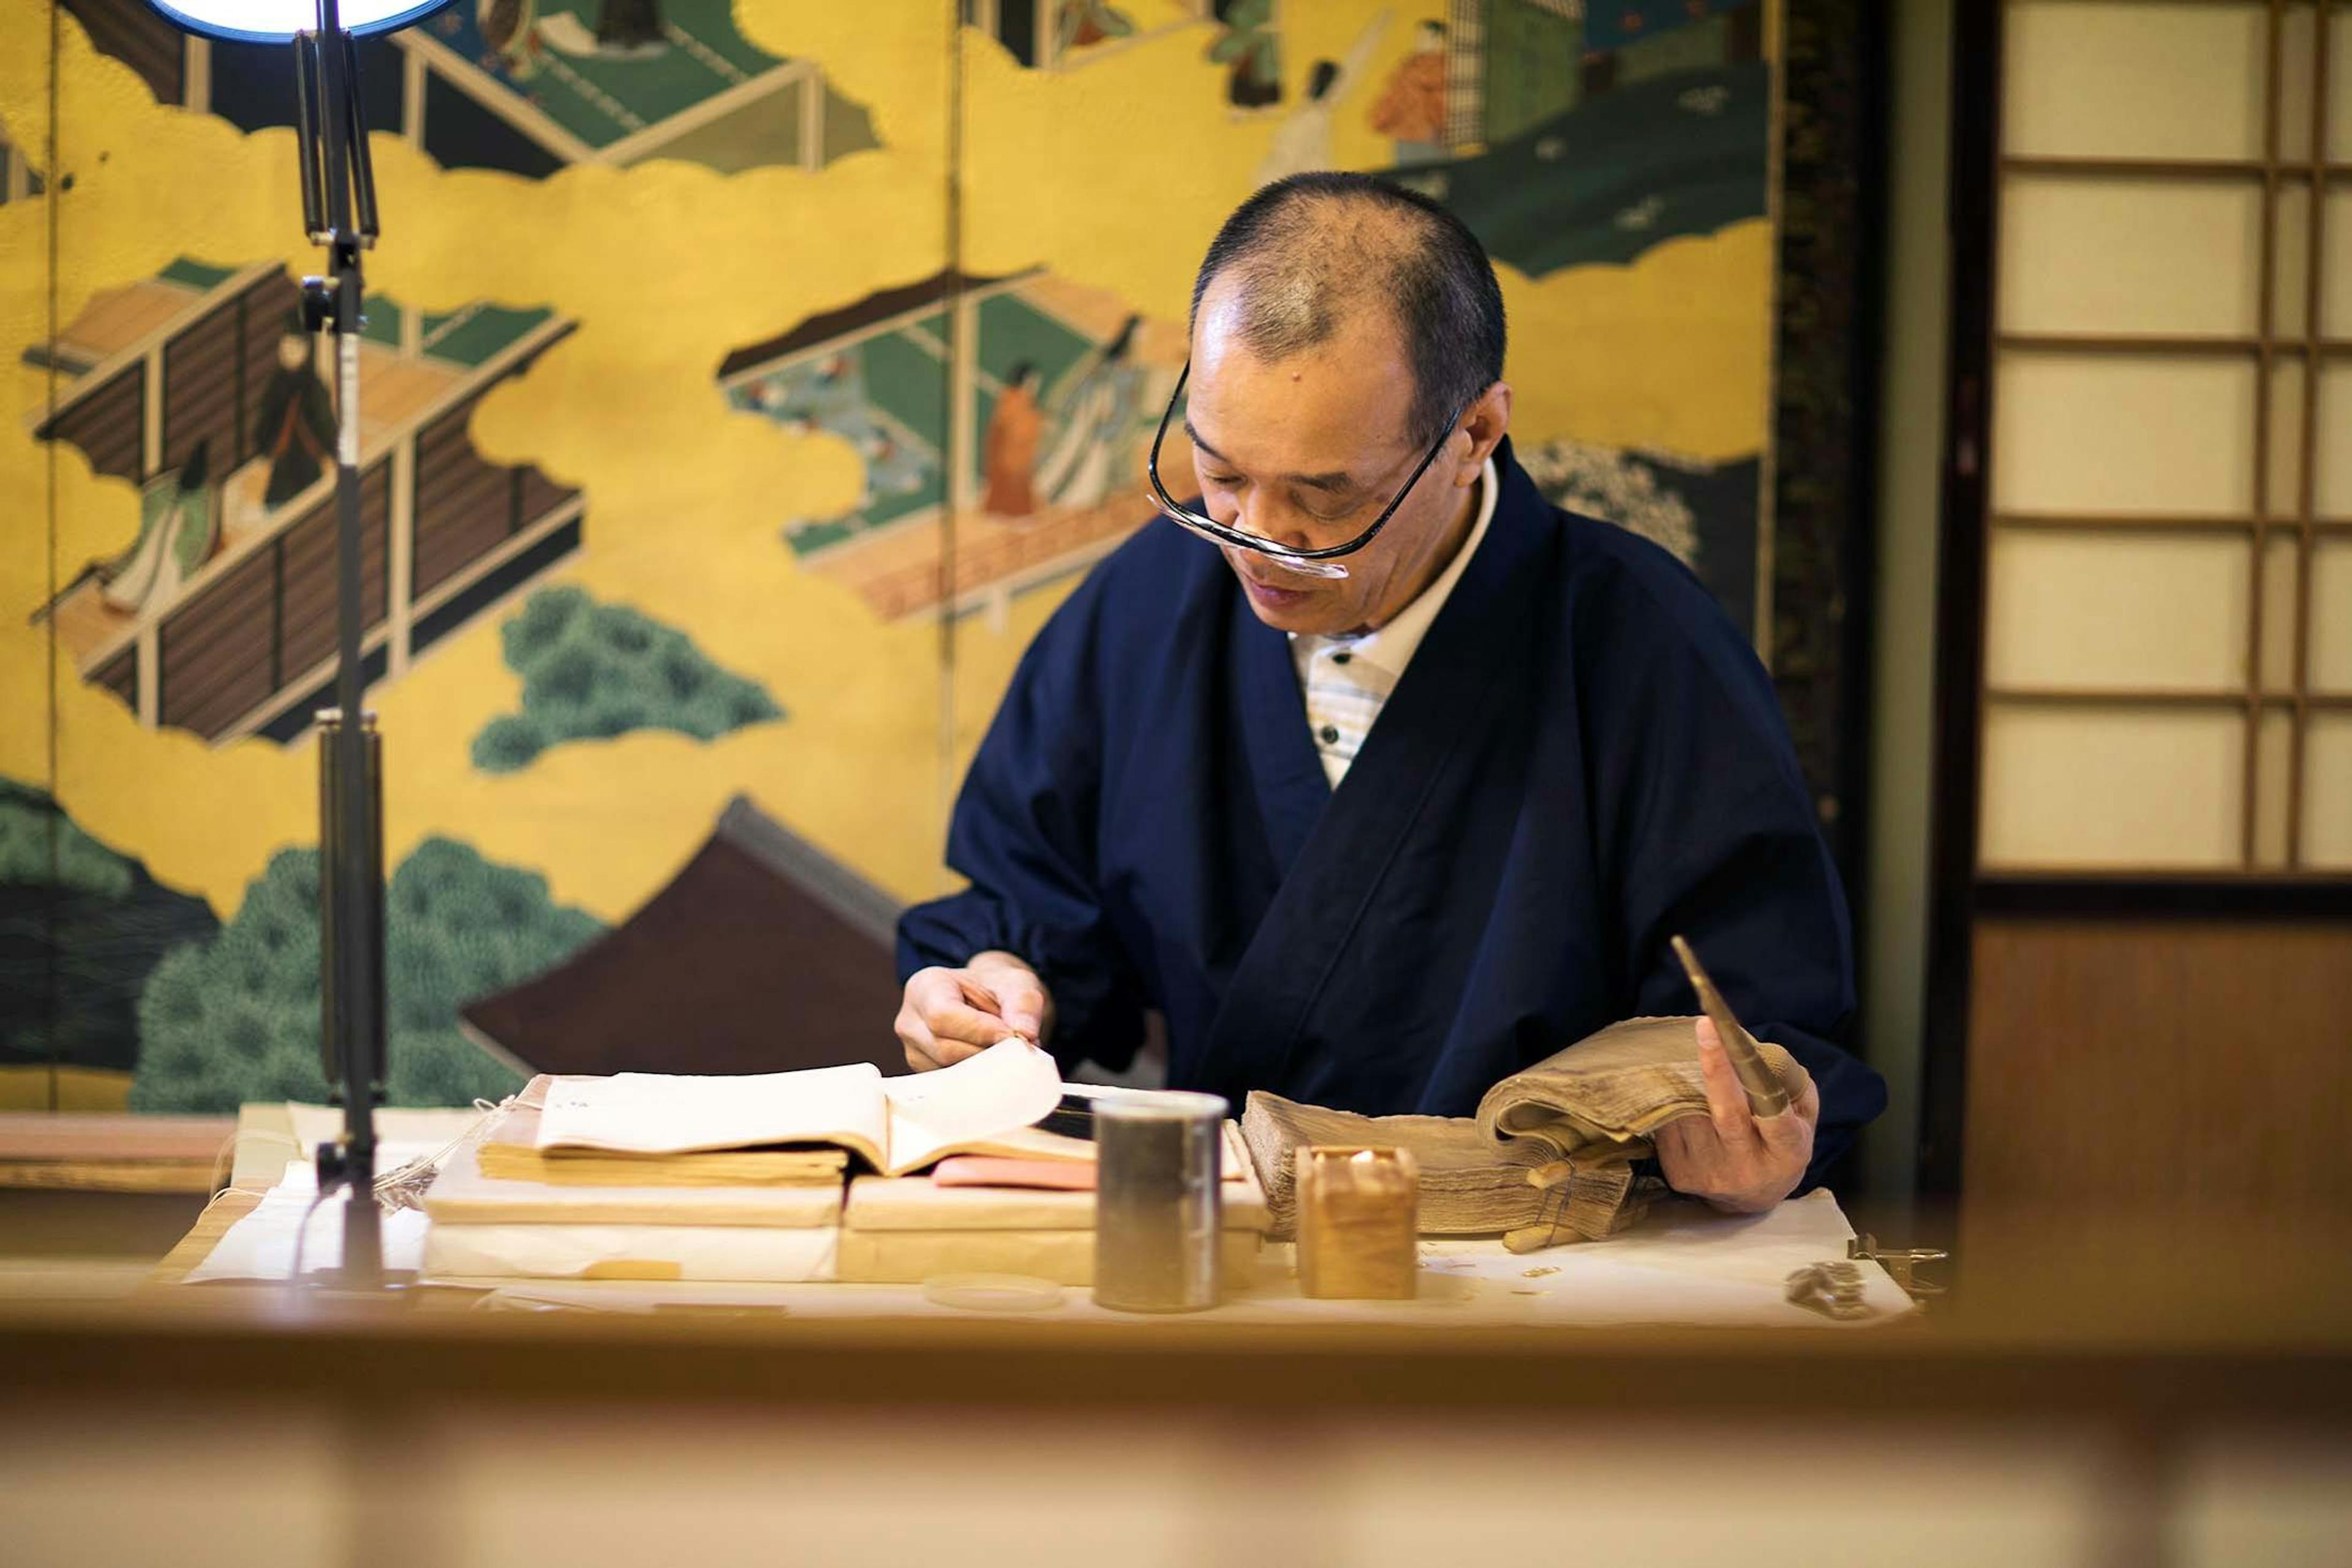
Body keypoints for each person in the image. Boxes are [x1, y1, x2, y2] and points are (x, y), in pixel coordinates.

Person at [894, 173, 1883, 1213]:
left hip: (1552, 1279)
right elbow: (1031, 901)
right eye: (1221, 473)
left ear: (1474, 436)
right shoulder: (1147, 603)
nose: (1257, 540)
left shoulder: (1642, 640)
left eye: (1327, 496)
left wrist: (1746, 1140)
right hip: (1228, 1247)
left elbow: (1761, 1015)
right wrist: (987, 989)